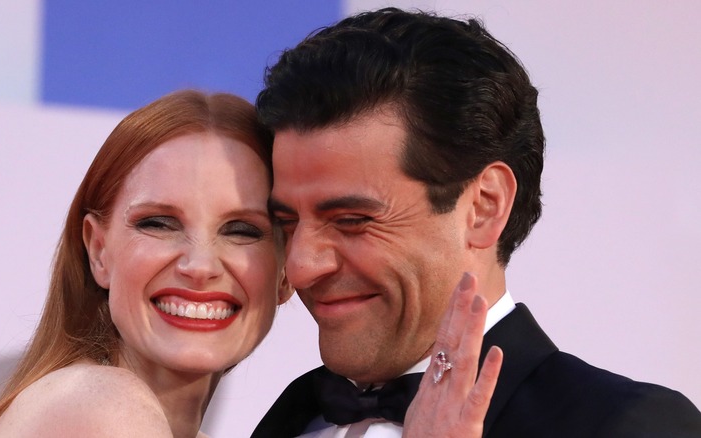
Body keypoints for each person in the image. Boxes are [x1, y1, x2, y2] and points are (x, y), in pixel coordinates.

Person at [251, 7, 701, 438]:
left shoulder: (626, 426)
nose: (303, 266)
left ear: (484, 206)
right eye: (287, 221)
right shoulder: (288, 418)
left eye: (351, 220)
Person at [0, 89, 501, 437]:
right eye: (158, 222)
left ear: (286, 268)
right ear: (98, 250)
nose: (200, 265)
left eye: (242, 230)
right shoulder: (102, 410)